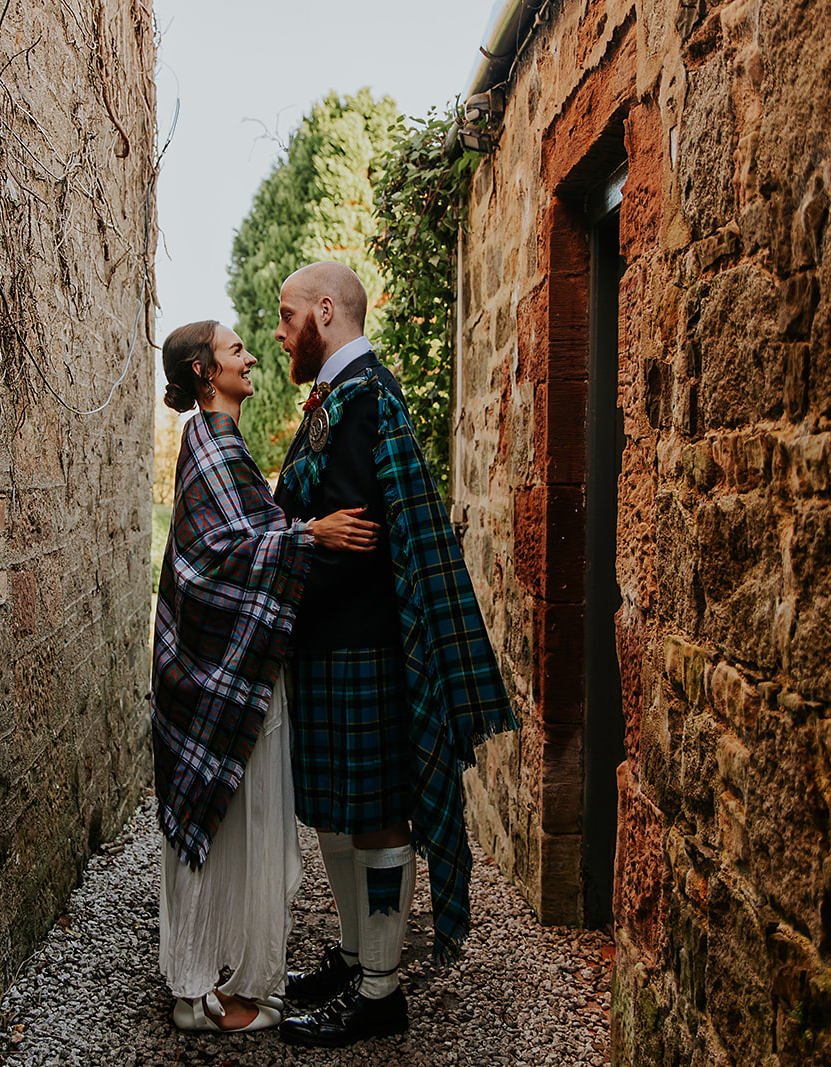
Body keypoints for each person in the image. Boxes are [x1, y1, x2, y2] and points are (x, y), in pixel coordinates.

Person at [270, 262, 518, 1048]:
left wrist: (279, 564)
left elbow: (358, 537)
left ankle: (380, 993)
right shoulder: (340, 398)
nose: (279, 333)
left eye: (286, 317)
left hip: (362, 645)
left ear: (326, 310)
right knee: (339, 819)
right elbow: (315, 516)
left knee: (375, 819)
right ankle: (353, 958)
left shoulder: (365, 399)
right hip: (332, 642)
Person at [151, 318, 380, 1034]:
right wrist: (310, 532)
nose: (250, 356)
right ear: (201, 372)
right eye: (234, 350)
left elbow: (246, 529)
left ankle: (223, 980)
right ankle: (194, 989)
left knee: (232, 822)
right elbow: (214, 555)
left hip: (237, 666)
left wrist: (288, 520)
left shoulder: (224, 445)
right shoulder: (208, 444)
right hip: (216, 673)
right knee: (215, 821)